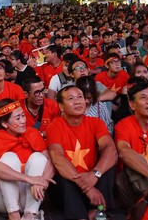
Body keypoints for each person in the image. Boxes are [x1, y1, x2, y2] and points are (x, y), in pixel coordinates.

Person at [46, 85, 118, 220]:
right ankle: (81, 216)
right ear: (61, 107)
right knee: (64, 176)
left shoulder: (96, 123)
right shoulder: (54, 126)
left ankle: (99, 211)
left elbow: (110, 149)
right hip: (68, 190)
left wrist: (95, 174)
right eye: (71, 99)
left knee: (108, 163)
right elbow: (58, 159)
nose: (78, 101)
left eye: (80, 97)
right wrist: (87, 187)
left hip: (93, 181)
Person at [0, 98, 54, 220]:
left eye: (23, 116)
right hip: (2, 199)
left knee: (39, 158)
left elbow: (51, 160)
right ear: (4, 123)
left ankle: (30, 214)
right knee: (9, 158)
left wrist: (43, 180)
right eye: (18, 118)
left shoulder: (32, 133)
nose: (23, 121)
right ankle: (13, 214)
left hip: (29, 196)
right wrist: (31, 179)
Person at [21, 74, 61, 138]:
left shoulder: (53, 106)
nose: (41, 95)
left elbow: (58, 130)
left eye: (43, 91)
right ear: (26, 94)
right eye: (37, 92)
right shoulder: (17, 108)